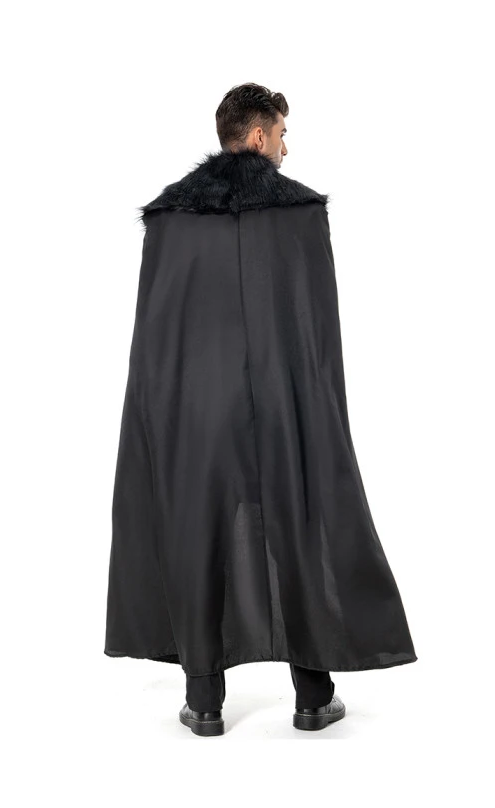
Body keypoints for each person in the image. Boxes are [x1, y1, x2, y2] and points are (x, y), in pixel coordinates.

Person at [104, 82, 417, 736]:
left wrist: (159, 414)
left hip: (195, 410)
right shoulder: (300, 213)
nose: (284, 147)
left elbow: (156, 334)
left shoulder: (170, 219)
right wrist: (318, 408)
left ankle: (205, 702)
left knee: (197, 529)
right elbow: (316, 333)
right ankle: (312, 696)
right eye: (281, 134)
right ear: (256, 135)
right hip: (283, 400)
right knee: (300, 522)